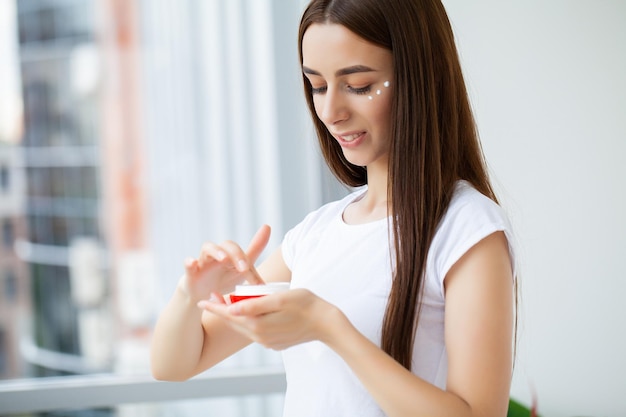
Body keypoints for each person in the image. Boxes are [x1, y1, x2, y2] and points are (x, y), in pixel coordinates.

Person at [150, 0, 517, 416]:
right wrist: (190, 294)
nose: (330, 112)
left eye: (358, 85)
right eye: (318, 86)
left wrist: (329, 327)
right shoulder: (316, 234)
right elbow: (172, 365)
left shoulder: (467, 229)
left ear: (421, 78)